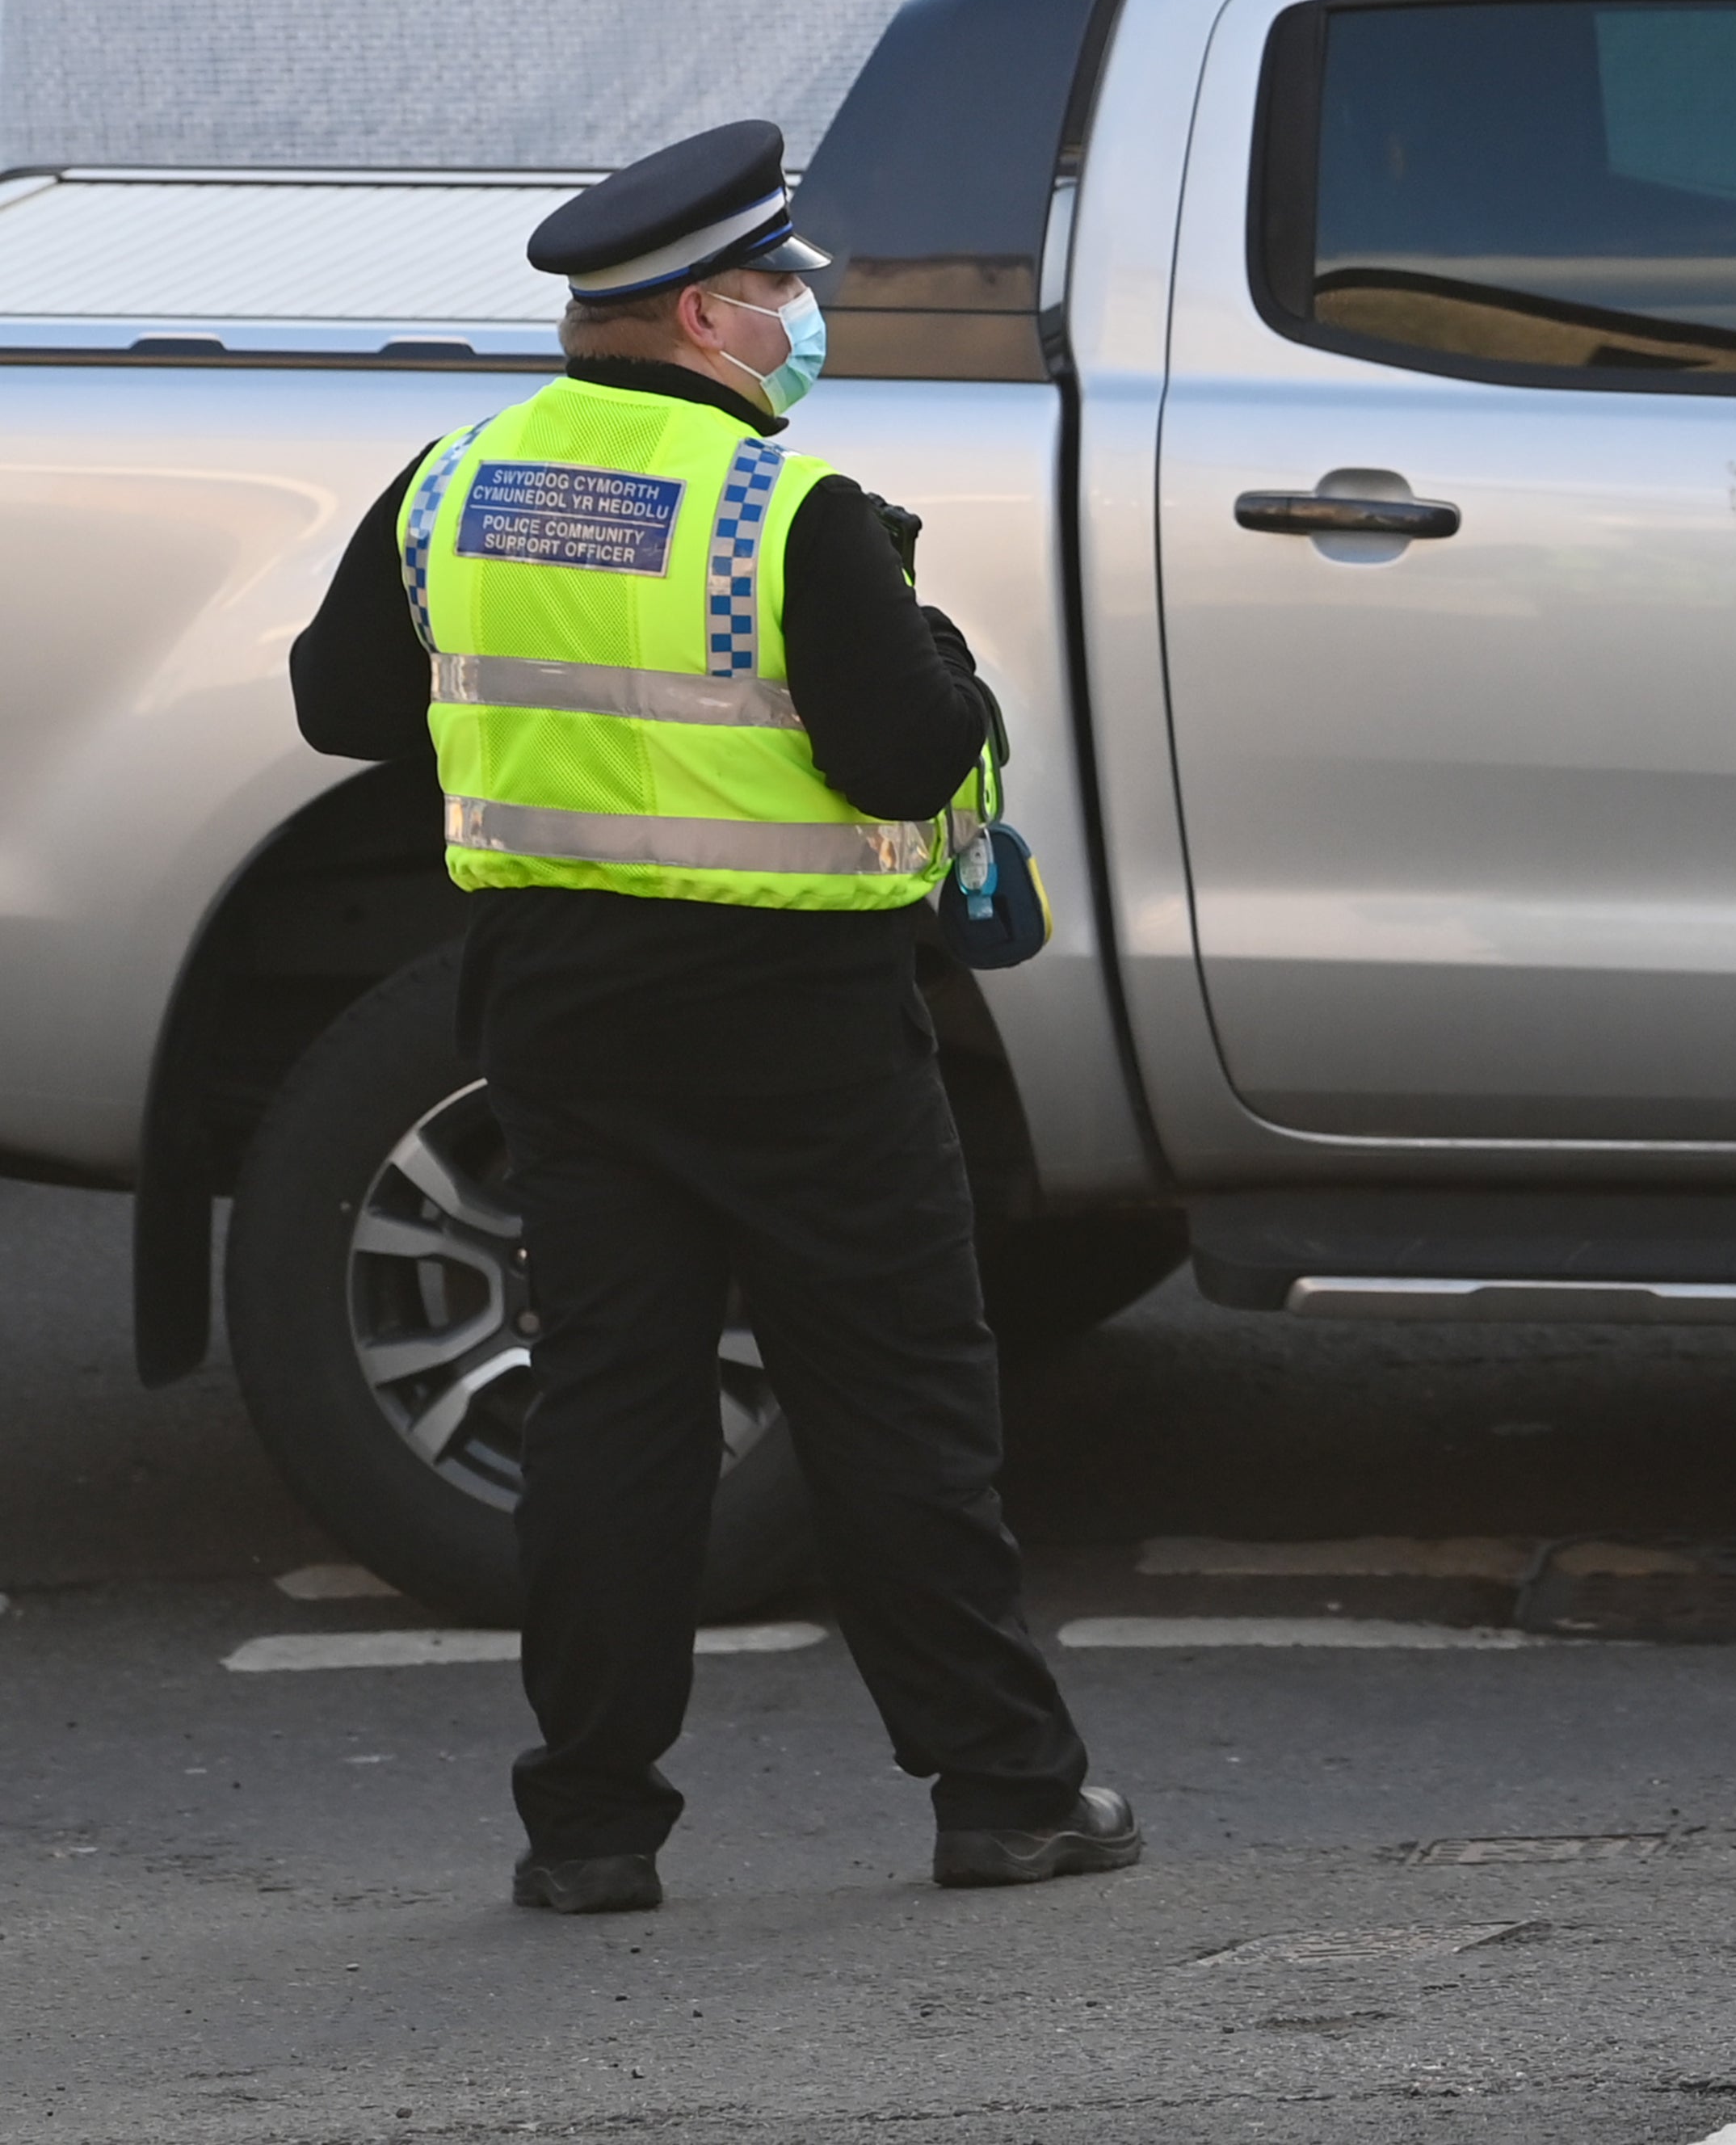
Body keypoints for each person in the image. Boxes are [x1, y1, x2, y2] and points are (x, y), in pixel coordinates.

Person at [288, 120, 1137, 1915]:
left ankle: (587, 1824)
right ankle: (1005, 1788)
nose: (799, 318)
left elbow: (337, 700)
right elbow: (907, 752)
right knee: (895, 1396)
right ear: (695, 314)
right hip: (800, 1022)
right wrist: (953, 664)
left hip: (562, 1004)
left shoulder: (457, 480)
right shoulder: (790, 512)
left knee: (613, 1407)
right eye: (777, 291)